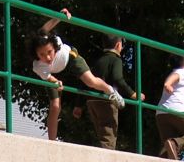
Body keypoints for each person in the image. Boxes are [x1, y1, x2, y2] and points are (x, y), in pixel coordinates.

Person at [30, 9, 123, 142]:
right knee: (55, 105)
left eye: (49, 52)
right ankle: (52, 141)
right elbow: (51, 79)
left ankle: (110, 91)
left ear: (54, 47)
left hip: (70, 58)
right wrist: (56, 82)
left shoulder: (49, 39)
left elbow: (45, 28)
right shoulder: (38, 66)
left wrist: (60, 16)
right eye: (42, 55)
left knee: (90, 81)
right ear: (36, 55)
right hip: (54, 73)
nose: (48, 57)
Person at [86, 38, 139, 151]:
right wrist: (132, 93)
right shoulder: (115, 60)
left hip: (91, 100)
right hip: (106, 100)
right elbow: (117, 78)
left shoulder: (98, 60)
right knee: (108, 135)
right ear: (118, 45)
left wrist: (78, 105)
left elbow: (86, 79)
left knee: (100, 133)